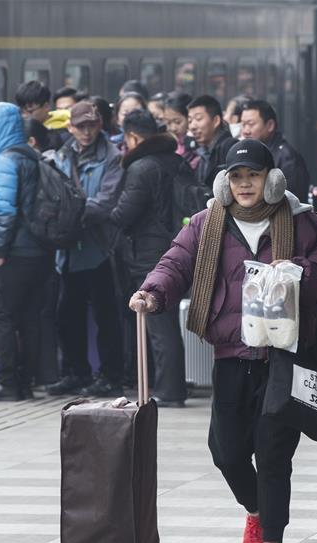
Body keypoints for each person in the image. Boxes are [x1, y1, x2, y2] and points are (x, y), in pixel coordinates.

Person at [131, 138, 317, 543]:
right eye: (237, 176)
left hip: (283, 356)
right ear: (226, 181)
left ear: (272, 179)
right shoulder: (208, 223)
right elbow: (176, 262)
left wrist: (295, 273)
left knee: (274, 451)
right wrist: (152, 292)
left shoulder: (302, 223)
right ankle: (256, 511)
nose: (245, 184)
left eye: (254, 175)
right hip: (231, 353)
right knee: (226, 451)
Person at [94, 109, 188, 407]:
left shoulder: (141, 167)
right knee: (166, 322)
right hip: (176, 246)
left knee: (159, 327)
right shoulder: (176, 160)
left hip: (149, 253)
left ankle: (169, 390)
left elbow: (124, 213)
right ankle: (168, 386)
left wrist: (106, 211)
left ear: (133, 136)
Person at [0, 102, 54, 400]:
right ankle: (26, 381)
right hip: (39, 251)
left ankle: (6, 382)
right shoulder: (31, 156)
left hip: (15, 252)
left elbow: (4, 212)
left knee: (2, 316)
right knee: (30, 317)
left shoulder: (5, 161)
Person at [47, 100, 125, 397]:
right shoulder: (62, 155)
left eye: (91, 125)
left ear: (100, 125)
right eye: (81, 126)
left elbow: (106, 202)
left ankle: (111, 375)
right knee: (68, 315)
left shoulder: (112, 157)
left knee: (106, 315)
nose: (87, 131)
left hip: (99, 248)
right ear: (71, 127)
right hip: (67, 249)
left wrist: (70, 213)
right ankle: (75, 372)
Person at [240, 100, 310, 202]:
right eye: (243, 124)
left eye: (250, 124)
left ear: (270, 125)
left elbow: (292, 200)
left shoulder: (287, 157)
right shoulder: (248, 152)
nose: (245, 131)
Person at [188, 94, 234, 188]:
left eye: (198, 119)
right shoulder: (201, 152)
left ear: (216, 121)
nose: (192, 126)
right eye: (190, 121)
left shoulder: (229, 147)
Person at [162, 94, 197, 166]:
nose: (173, 128)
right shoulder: (168, 144)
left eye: (177, 122)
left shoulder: (198, 143)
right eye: (168, 123)